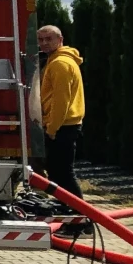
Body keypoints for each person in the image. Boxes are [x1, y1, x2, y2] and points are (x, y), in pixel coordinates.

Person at [37, 25, 85, 199]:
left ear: (60, 40)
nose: (44, 43)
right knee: (58, 173)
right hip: (63, 126)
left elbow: (61, 100)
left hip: (62, 127)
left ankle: (79, 212)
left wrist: (52, 129)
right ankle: (70, 209)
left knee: (63, 174)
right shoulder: (57, 60)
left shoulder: (60, 64)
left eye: (49, 39)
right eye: (41, 40)